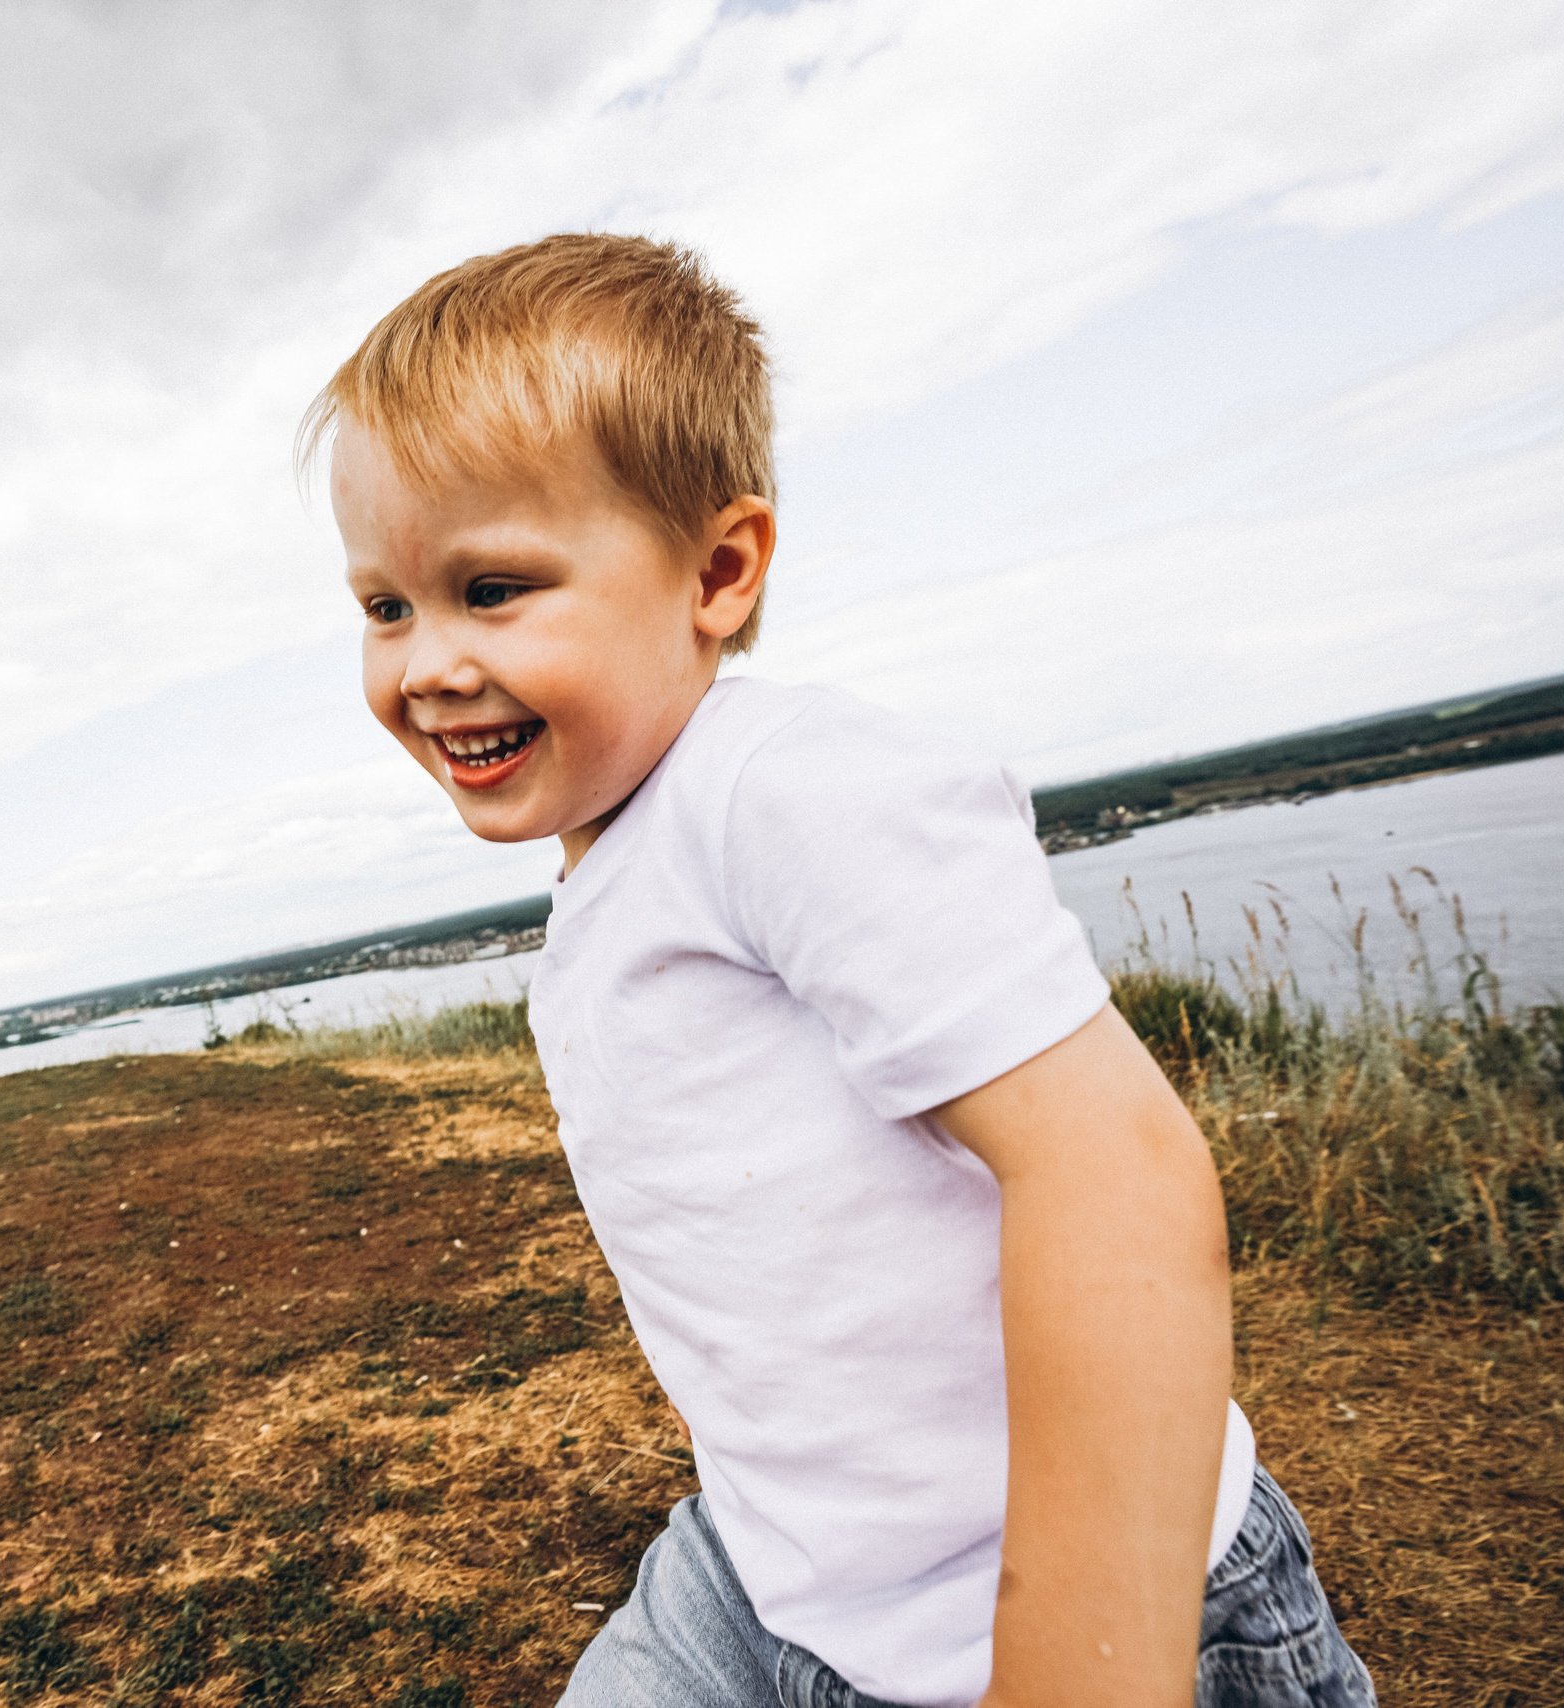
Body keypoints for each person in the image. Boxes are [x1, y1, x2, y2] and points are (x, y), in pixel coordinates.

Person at [301, 233, 1374, 1708]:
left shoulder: (781, 790)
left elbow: (1115, 1172)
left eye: (491, 588)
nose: (425, 663)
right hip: (778, 1569)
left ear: (719, 571)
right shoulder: (628, 862)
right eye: (385, 606)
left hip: (1019, 1612)